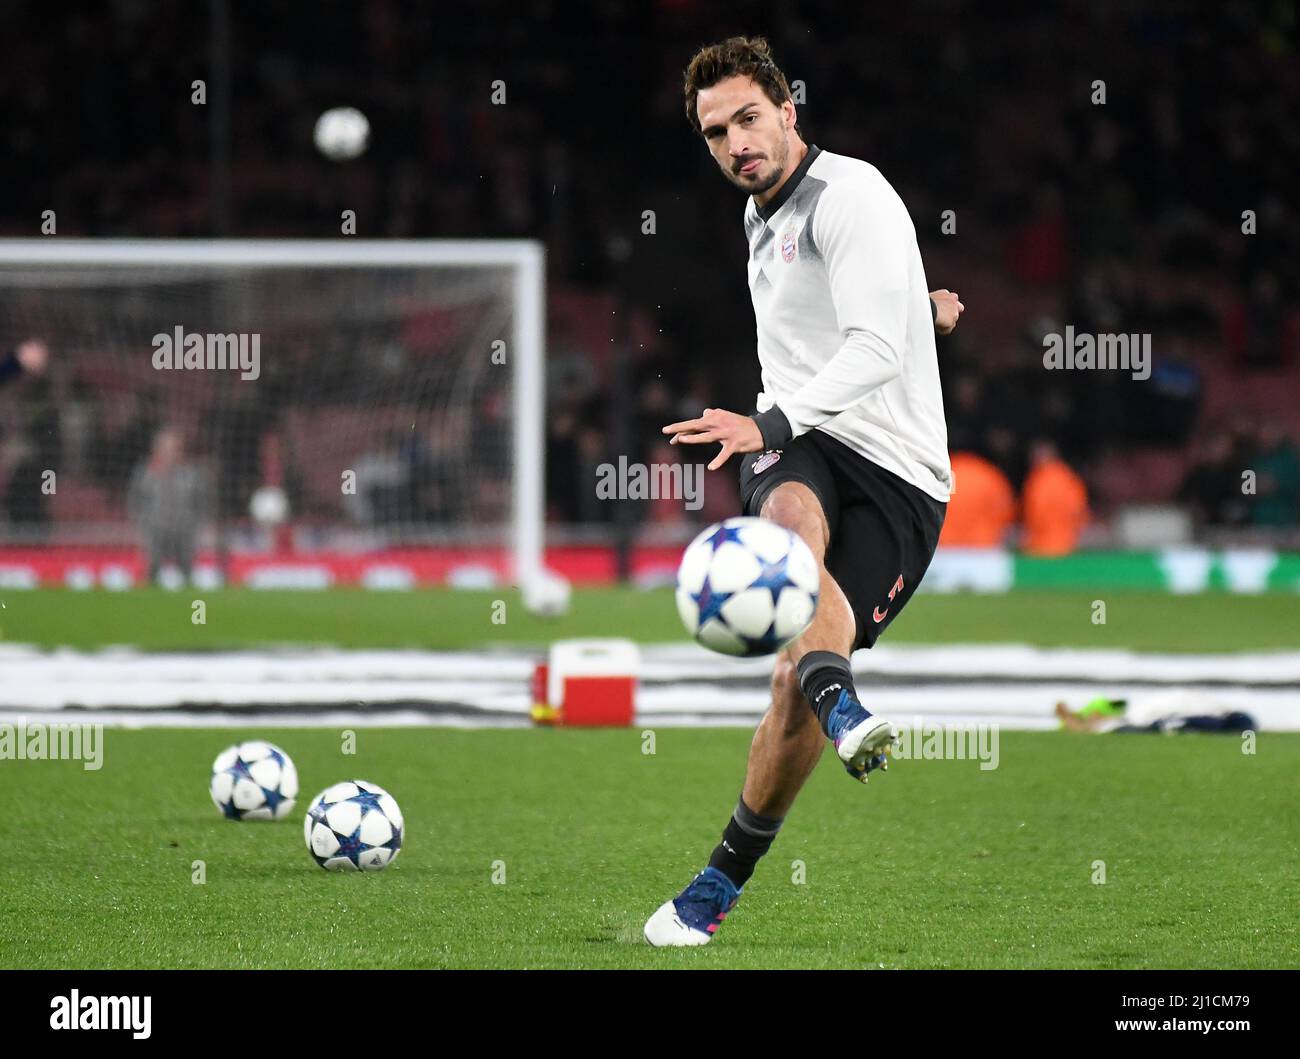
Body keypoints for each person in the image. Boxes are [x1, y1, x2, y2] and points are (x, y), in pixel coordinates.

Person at [646, 36, 958, 946]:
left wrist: (767, 424)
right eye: (714, 132)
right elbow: (844, 316)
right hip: (807, 443)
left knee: (787, 679)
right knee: (786, 534)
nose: (735, 142)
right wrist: (919, 300)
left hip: (902, 476)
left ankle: (727, 865)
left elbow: (874, 350)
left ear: (789, 112)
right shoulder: (761, 212)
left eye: (748, 118)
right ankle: (842, 700)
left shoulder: (849, 193)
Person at [126, 427, 210, 585]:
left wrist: (196, 524)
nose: (169, 452)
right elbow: (135, 500)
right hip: (155, 529)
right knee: (152, 570)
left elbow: (203, 501)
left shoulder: (192, 474)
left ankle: (189, 605)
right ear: (156, 449)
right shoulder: (145, 473)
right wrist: (142, 523)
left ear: (180, 450)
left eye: (173, 447)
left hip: (184, 530)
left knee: (187, 572)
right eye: (165, 447)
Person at [1054, 694, 1255, 734]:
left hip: (1228, 717)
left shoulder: (1136, 717)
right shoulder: (1136, 719)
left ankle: (1079, 725)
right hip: (1226, 717)